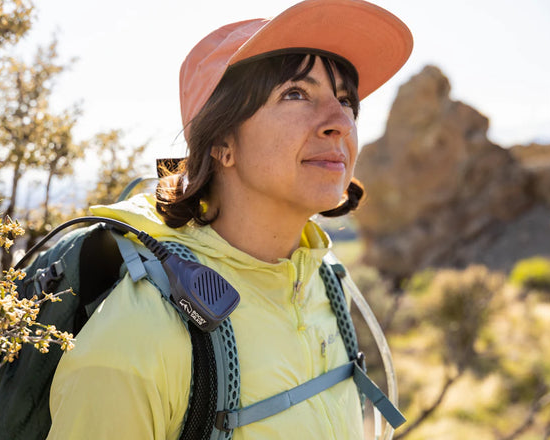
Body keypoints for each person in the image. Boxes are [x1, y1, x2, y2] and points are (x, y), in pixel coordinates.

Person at [46, 0, 412, 438]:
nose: (339, 122)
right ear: (221, 143)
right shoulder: (137, 339)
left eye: (347, 99)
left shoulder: (323, 285)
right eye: (295, 93)